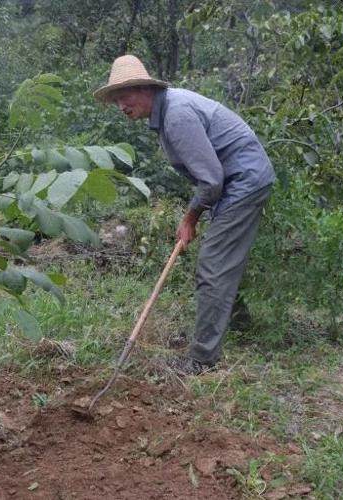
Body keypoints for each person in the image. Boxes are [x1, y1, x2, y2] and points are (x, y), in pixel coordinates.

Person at [94, 55, 275, 375]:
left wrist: (190, 218)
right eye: (116, 100)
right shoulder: (167, 112)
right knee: (219, 259)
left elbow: (211, 180)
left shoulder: (176, 116)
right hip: (236, 180)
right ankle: (238, 323)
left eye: (124, 97)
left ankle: (202, 359)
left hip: (243, 181)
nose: (120, 106)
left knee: (213, 264)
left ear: (143, 89)